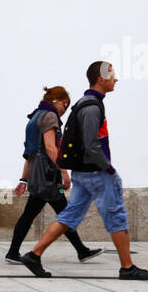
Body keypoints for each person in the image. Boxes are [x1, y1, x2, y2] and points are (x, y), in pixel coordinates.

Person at [20, 60, 148, 280]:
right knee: (116, 215)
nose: (116, 79)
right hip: (95, 172)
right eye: (112, 75)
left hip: (83, 173)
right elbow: (91, 144)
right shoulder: (93, 107)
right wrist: (109, 169)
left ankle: (34, 255)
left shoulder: (85, 103)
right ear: (100, 79)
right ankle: (127, 267)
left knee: (69, 215)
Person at [7, 85, 102, 265]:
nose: (64, 110)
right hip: (47, 175)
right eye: (65, 105)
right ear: (57, 100)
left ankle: (13, 252)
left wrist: (24, 179)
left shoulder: (35, 116)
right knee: (64, 213)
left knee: (38, 214)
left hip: (37, 173)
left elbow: (29, 153)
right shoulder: (50, 116)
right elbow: (51, 148)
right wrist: (64, 171)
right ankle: (80, 251)